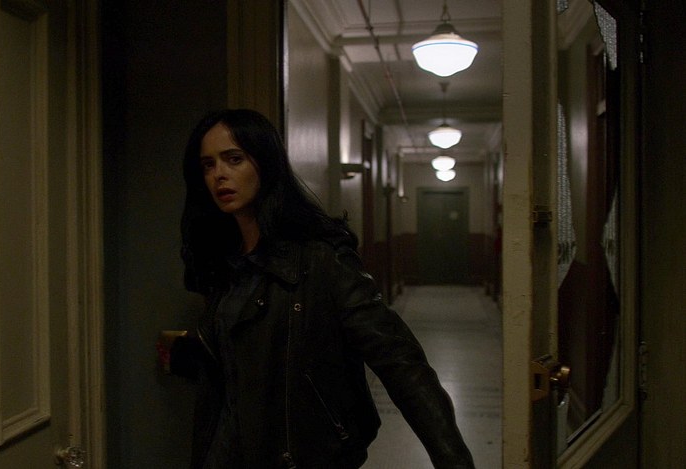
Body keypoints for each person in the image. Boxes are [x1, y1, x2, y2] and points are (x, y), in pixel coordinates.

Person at [162, 109, 474, 468]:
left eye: (234, 159)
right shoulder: (223, 264)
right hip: (225, 454)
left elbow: (401, 363)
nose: (219, 174)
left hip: (299, 456)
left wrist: (453, 459)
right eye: (208, 164)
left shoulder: (321, 261)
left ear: (266, 163)